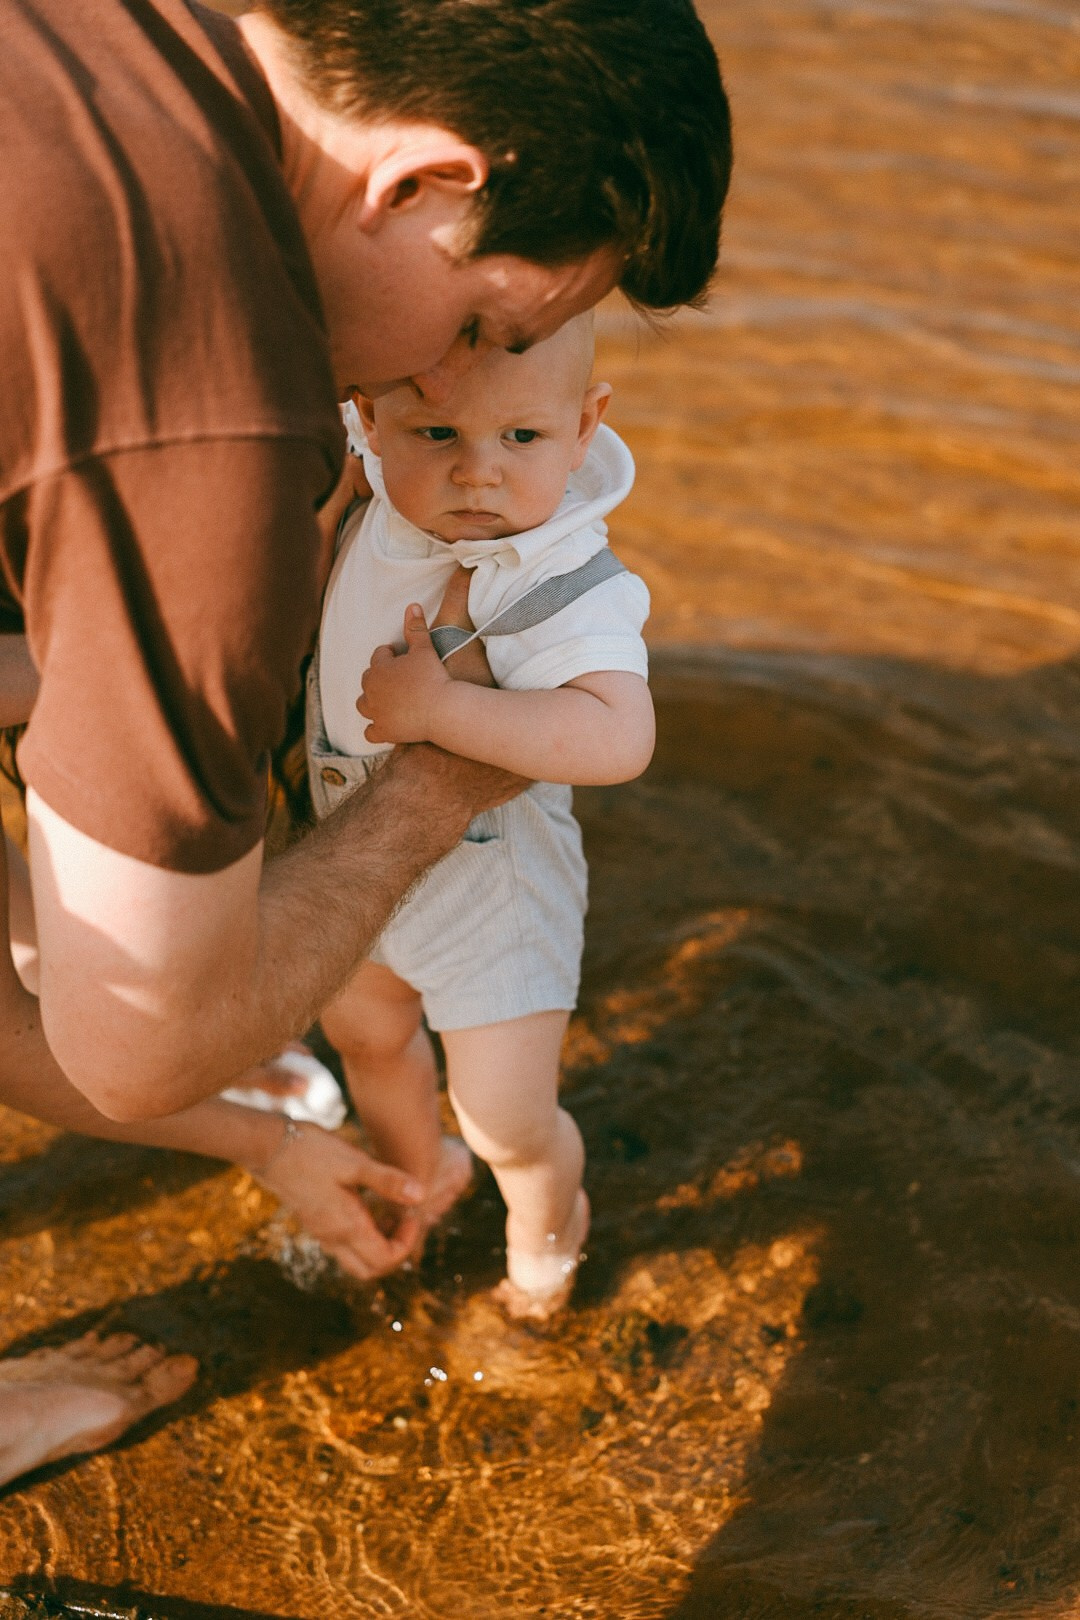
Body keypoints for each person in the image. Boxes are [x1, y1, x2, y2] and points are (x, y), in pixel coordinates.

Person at [0, 0, 730, 1476]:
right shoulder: (212, 402)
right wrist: (438, 778)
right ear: (417, 184)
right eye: (484, 325)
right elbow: (137, 1046)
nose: (443, 391)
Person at [311, 316, 653, 1317]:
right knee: (368, 1041)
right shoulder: (375, 483)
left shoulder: (551, 568)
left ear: (584, 429)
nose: (479, 476)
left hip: (486, 887)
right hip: (354, 850)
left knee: (505, 1116)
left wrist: (446, 712)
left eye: (521, 439)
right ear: (370, 422)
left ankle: (546, 1244)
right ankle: (416, 1184)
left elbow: (617, 734)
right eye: (437, 436)